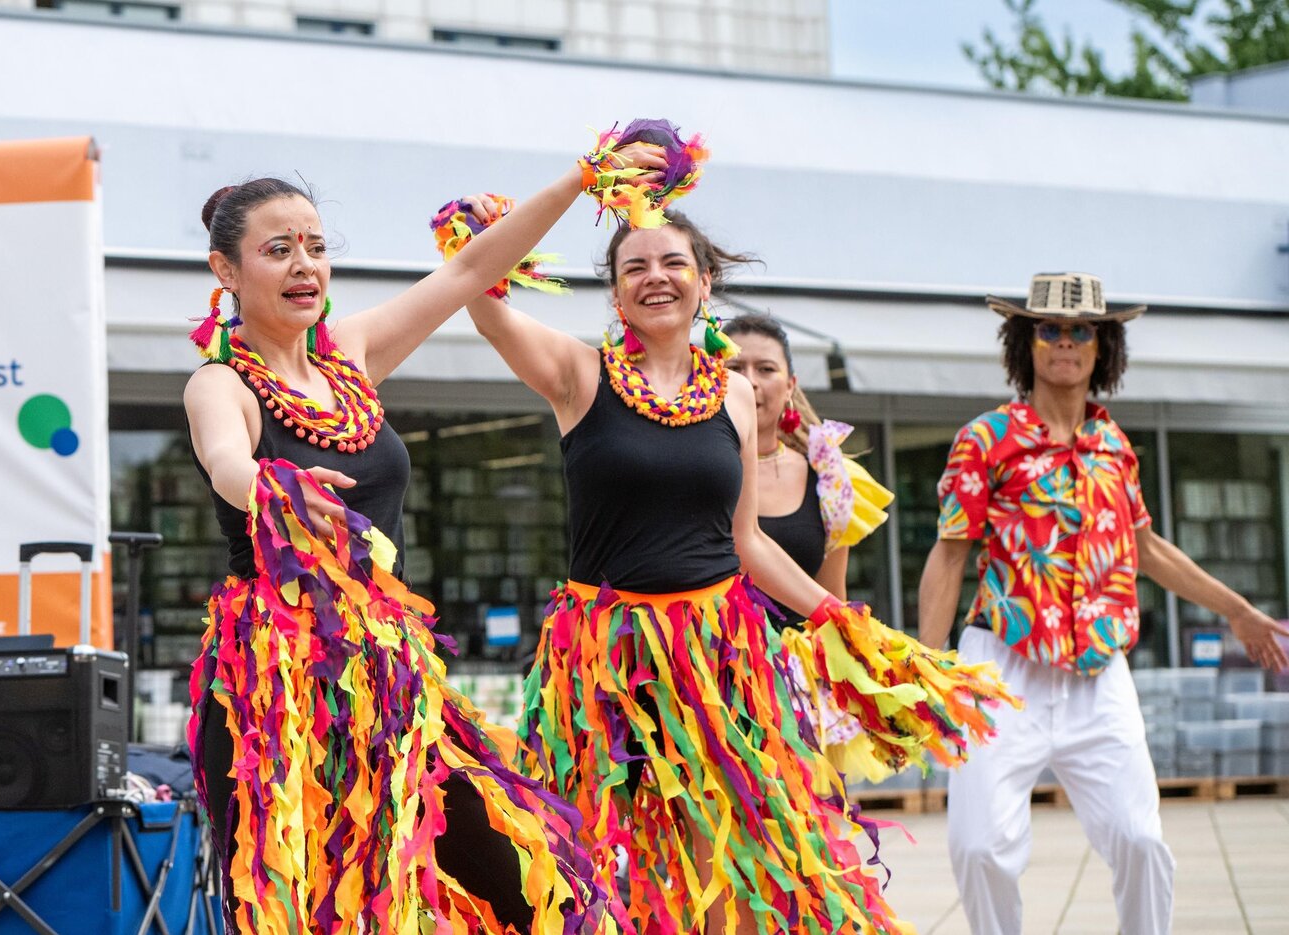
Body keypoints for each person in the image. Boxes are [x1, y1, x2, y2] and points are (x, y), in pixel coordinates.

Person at [454, 193, 1012, 934]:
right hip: (606, 657)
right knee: (589, 853)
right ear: (615, 290)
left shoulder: (735, 391)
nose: (656, 277)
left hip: (720, 652)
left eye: (673, 261)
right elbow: (484, 305)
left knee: (727, 850)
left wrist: (837, 617)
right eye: (634, 267)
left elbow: (746, 538)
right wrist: (549, 197)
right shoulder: (578, 374)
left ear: (706, 280)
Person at [184, 140, 665, 935]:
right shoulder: (220, 383)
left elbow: (469, 273)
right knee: (294, 912)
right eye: (278, 250)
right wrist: (276, 488)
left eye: (314, 246)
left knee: (538, 886)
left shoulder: (352, 356)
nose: (304, 264)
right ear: (226, 271)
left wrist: (583, 179)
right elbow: (226, 459)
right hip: (276, 691)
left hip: (391, 675)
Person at [917, 271, 1289, 935]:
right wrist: (929, 668)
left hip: (1099, 668)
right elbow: (948, 555)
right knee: (978, 847)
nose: (1064, 341)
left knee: (1142, 841)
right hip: (1002, 664)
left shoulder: (1114, 446)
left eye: (1080, 330)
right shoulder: (986, 439)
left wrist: (1237, 609)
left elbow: (1146, 548)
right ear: (1026, 343)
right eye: (1049, 329)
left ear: (1102, 345)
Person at [723, 314, 892, 626]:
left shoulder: (829, 478)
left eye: (765, 369)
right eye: (734, 369)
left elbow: (832, 597)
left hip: (795, 669)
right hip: (703, 664)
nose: (750, 380)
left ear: (790, 387)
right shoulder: (688, 470)